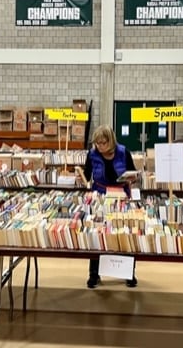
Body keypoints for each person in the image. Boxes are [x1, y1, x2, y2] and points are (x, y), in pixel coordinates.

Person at [83, 124, 138, 289]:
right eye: (97, 143)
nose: (99, 147)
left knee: (125, 234)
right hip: (99, 197)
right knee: (96, 234)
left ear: (111, 141)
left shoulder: (123, 152)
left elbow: (133, 174)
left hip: (121, 196)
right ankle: (94, 274)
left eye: (103, 143)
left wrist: (131, 179)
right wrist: (80, 179)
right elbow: (86, 176)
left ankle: (129, 273)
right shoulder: (92, 154)